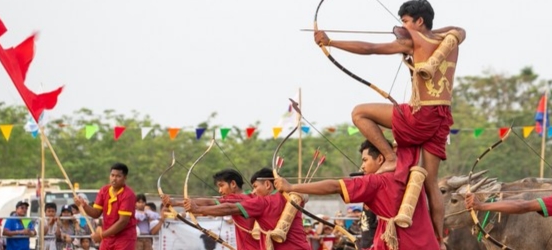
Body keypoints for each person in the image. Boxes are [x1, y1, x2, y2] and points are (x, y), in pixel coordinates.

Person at [313, 0, 466, 238]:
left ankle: (390, 156)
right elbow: (459, 29)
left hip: (421, 114)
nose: (402, 26)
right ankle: (438, 238)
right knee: (432, 184)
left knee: (359, 112)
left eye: (405, 21)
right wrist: (428, 32)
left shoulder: (413, 40)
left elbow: (371, 48)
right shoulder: (450, 40)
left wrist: (331, 42)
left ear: (419, 21)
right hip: (442, 117)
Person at [274, 140, 440, 250]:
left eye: (365, 160)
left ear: (381, 159)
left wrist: (291, 186)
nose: (362, 166)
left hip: (403, 245)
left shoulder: (376, 182)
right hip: (426, 244)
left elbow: (334, 186)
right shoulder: (408, 176)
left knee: (359, 113)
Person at [183, 168, 310, 250]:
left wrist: (197, 209)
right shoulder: (292, 197)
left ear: (267, 184)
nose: (254, 191)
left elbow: (228, 208)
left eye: (255, 186)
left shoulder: (262, 202)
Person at [162, 169, 261, 250]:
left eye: (221, 185)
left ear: (233, 184)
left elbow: (209, 202)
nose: (220, 190)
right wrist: (176, 203)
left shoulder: (237, 199)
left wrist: (176, 203)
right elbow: (211, 202)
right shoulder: (251, 196)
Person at [74, 163, 138, 250]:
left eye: (118, 176)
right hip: (107, 237)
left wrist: (101, 235)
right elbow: (96, 213)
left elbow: (123, 221)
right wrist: (84, 206)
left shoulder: (128, 194)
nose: (114, 179)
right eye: (112, 175)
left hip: (124, 237)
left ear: (125, 178)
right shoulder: (104, 190)